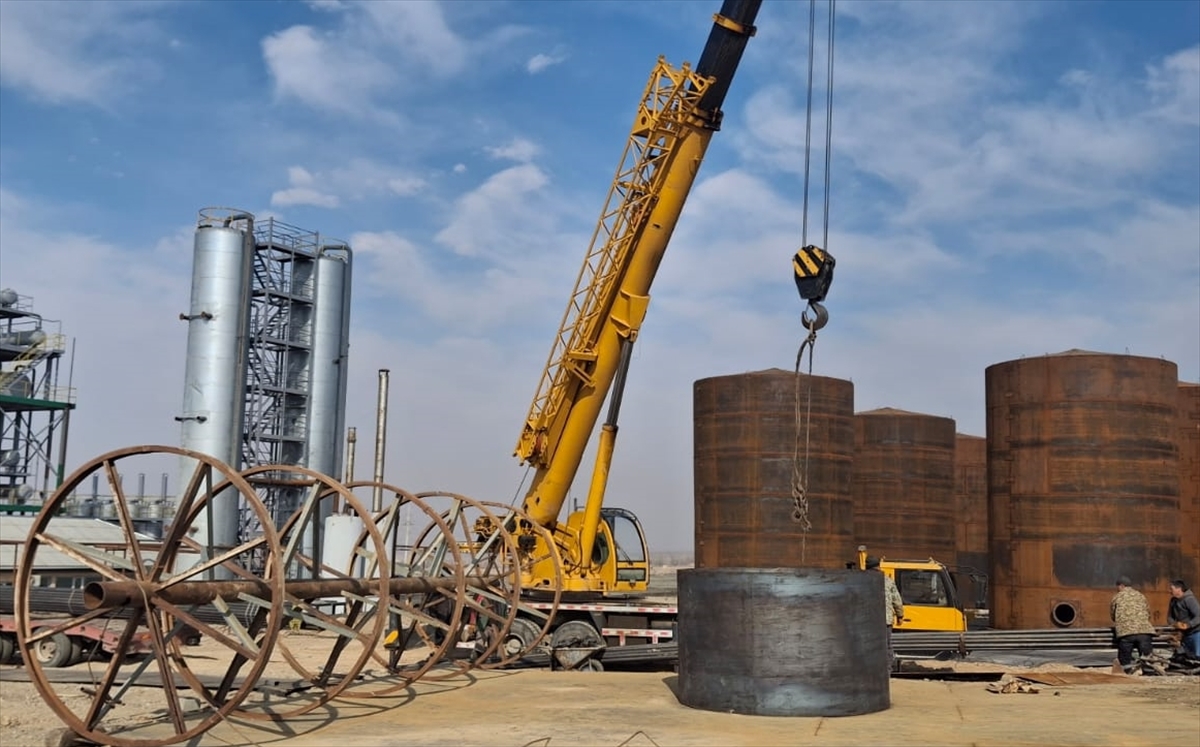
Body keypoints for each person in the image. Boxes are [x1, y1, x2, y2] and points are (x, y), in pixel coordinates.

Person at [866, 556, 904, 674]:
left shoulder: (862, 581)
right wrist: (900, 616)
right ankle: (886, 672)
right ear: (879, 565)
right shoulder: (888, 581)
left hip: (868, 621)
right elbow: (897, 600)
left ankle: (870, 670)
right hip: (885, 620)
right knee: (886, 646)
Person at [1110, 576, 1156, 671]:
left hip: (1126, 633)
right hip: (1144, 632)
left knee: (1125, 660)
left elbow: (1113, 615)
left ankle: (1127, 674)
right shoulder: (1140, 595)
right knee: (1147, 659)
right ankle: (1149, 673)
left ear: (1121, 586)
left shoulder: (1117, 597)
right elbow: (1148, 613)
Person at [1167, 579, 1200, 658]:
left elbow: (1199, 616)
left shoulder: (1190, 600)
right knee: (1184, 657)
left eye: (1171, 589)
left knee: (1197, 657)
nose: (1169, 591)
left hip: (1195, 634)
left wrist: (1188, 625)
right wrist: (1175, 625)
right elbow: (1170, 617)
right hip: (1184, 635)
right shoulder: (1173, 601)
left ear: (1179, 589)